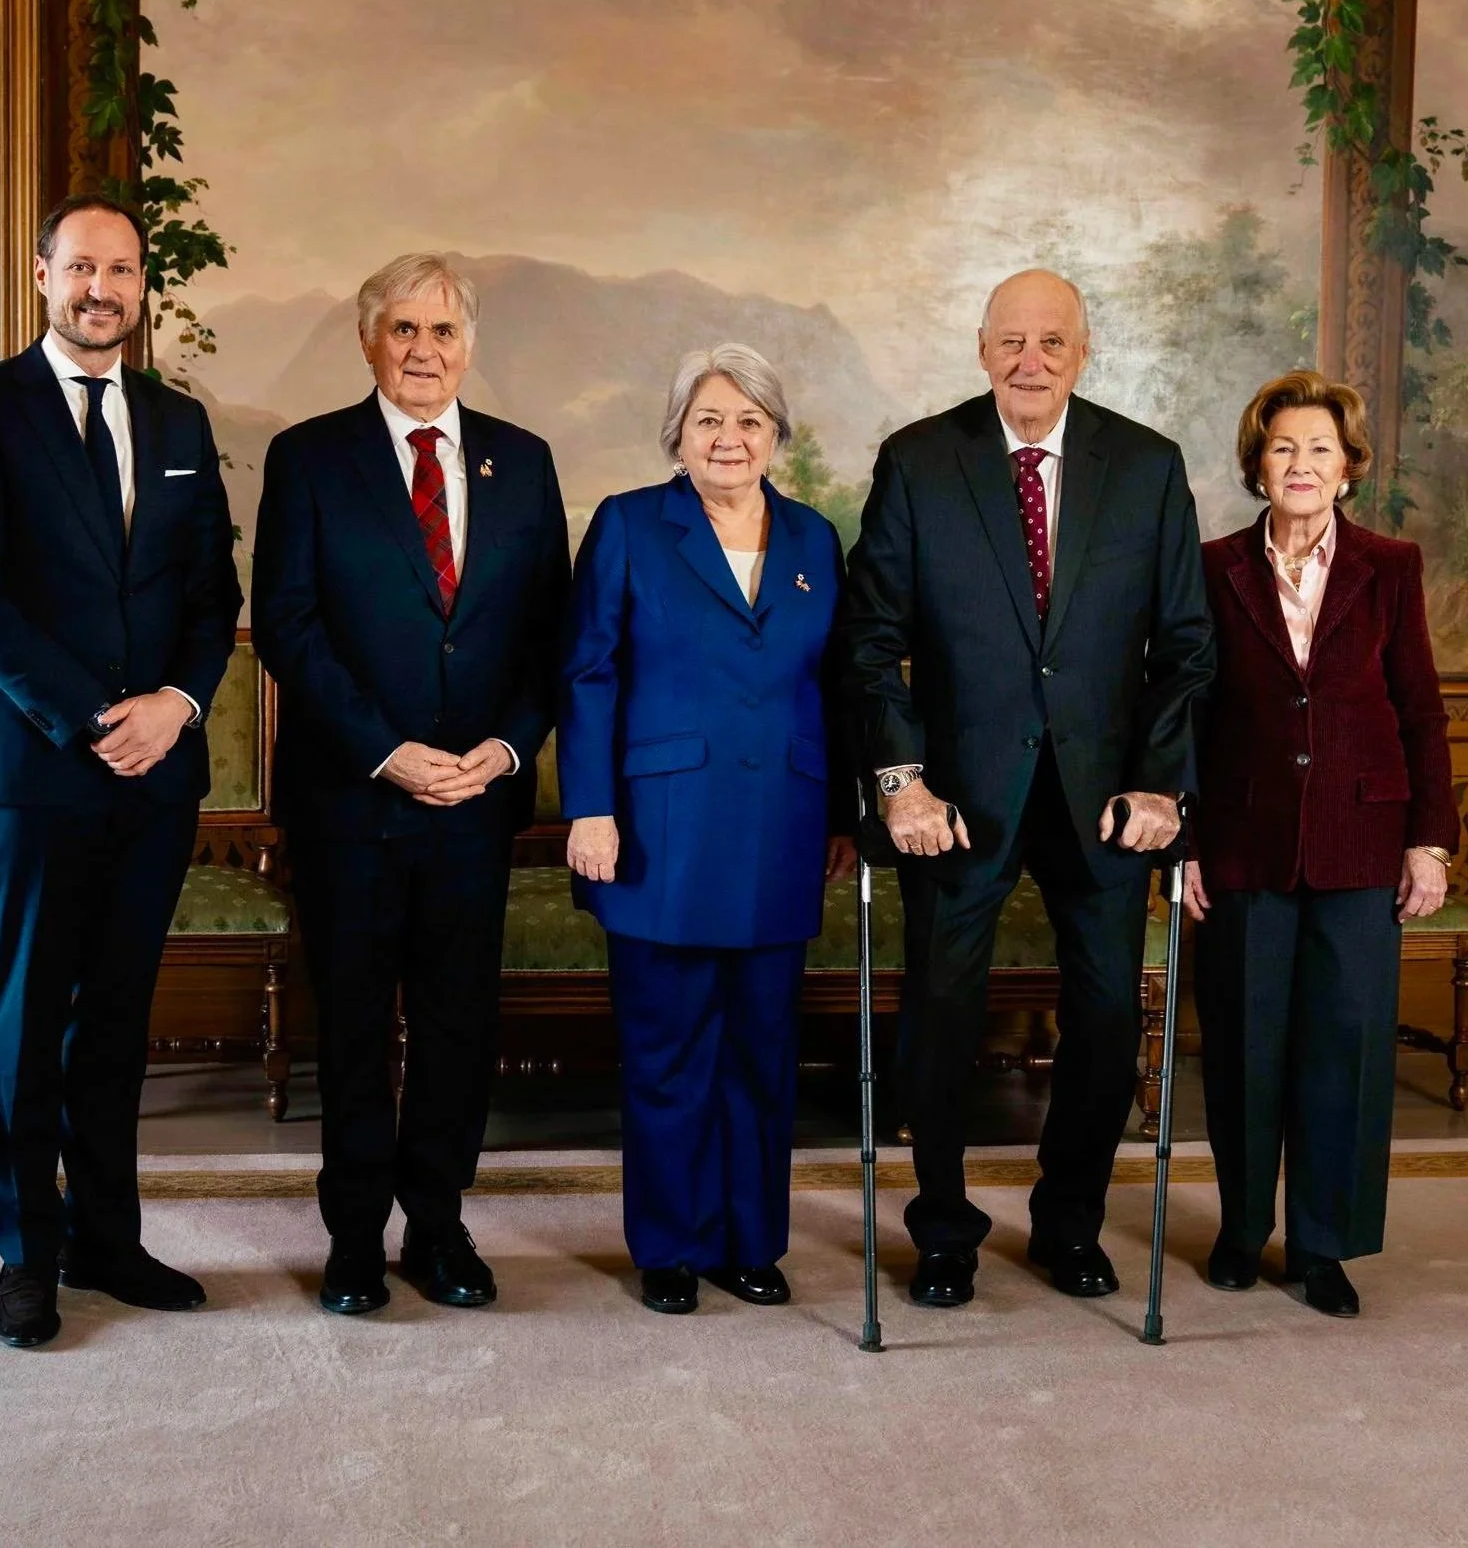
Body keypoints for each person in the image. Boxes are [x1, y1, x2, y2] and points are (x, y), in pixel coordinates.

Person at [837, 269, 1214, 1307]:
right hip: (954, 802)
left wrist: (1157, 783)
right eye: (1010, 341)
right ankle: (942, 1232)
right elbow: (868, 640)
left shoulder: (1144, 465)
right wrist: (901, 784)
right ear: (980, 348)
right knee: (940, 1015)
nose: (1029, 361)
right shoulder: (920, 460)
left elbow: (1185, 646)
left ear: (1081, 351)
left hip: (1103, 802)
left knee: (1106, 1016)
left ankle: (1068, 1223)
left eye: (1050, 341)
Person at [0, 193, 242, 1347]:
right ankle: (28, 1253)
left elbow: (211, 594)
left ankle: (109, 1237)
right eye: (80, 267)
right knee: (25, 1021)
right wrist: (95, 715)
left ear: (142, 284)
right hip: (33, 770)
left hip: (155, 774)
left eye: (121, 269)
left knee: (115, 1017)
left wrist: (176, 705)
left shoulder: (179, 422)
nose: (101, 288)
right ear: (42, 275)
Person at [253, 254, 570, 1317]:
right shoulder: (309, 458)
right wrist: (384, 749)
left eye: (442, 331)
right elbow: (288, 625)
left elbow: (551, 633)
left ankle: (438, 1225)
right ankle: (353, 1239)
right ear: (368, 340)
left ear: (467, 346)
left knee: (455, 1025)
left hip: (474, 801)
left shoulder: (524, 462)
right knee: (349, 1026)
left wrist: (508, 747)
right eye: (402, 329)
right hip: (351, 799)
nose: (423, 350)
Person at [558, 344, 855, 1315]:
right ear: (676, 433)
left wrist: (843, 814)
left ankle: (748, 1241)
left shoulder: (813, 538)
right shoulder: (629, 523)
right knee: (668, 1049)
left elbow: (835, 685)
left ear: (775, 435)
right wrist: (589, 806)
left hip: (781, 828)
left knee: (761, 1053)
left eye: (749, 421)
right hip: (660, 834)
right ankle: (670, 1245)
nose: (729, 438)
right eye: (708, 420)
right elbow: (589, 672)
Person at [1184, 370, 1457, 1317]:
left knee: (1343, 1046)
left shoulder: (1391, 565)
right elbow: (1187, 711)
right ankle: (1240, 1227)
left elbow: (1420, 710)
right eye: (1282, 448)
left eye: (1319, 449)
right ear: (1257, 465)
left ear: (1348, 467)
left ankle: (1321, 1245)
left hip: (1362, 839)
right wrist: (1184, 842)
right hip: (1240, 843)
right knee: (1243, 1045)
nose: (1300, 464)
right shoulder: (1211, 566)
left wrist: (1429, 841)